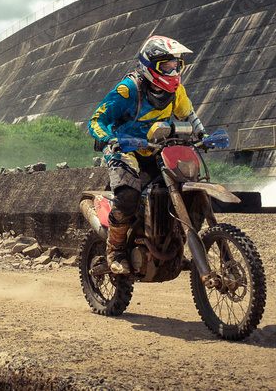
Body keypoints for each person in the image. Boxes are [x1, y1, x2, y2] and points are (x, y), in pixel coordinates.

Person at [88, 35, 207, 274]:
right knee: (128, 198)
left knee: (188, 191)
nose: (173, 72)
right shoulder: (128, 90)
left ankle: (176, 247)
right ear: (149, 66)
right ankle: (115, 251)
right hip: (126, 151)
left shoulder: (177, 92)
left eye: (177, 66)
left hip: (159, 151)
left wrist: (202, 134)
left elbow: (188, 114)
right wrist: (109, 138)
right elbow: (97, 120)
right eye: (167, 66)